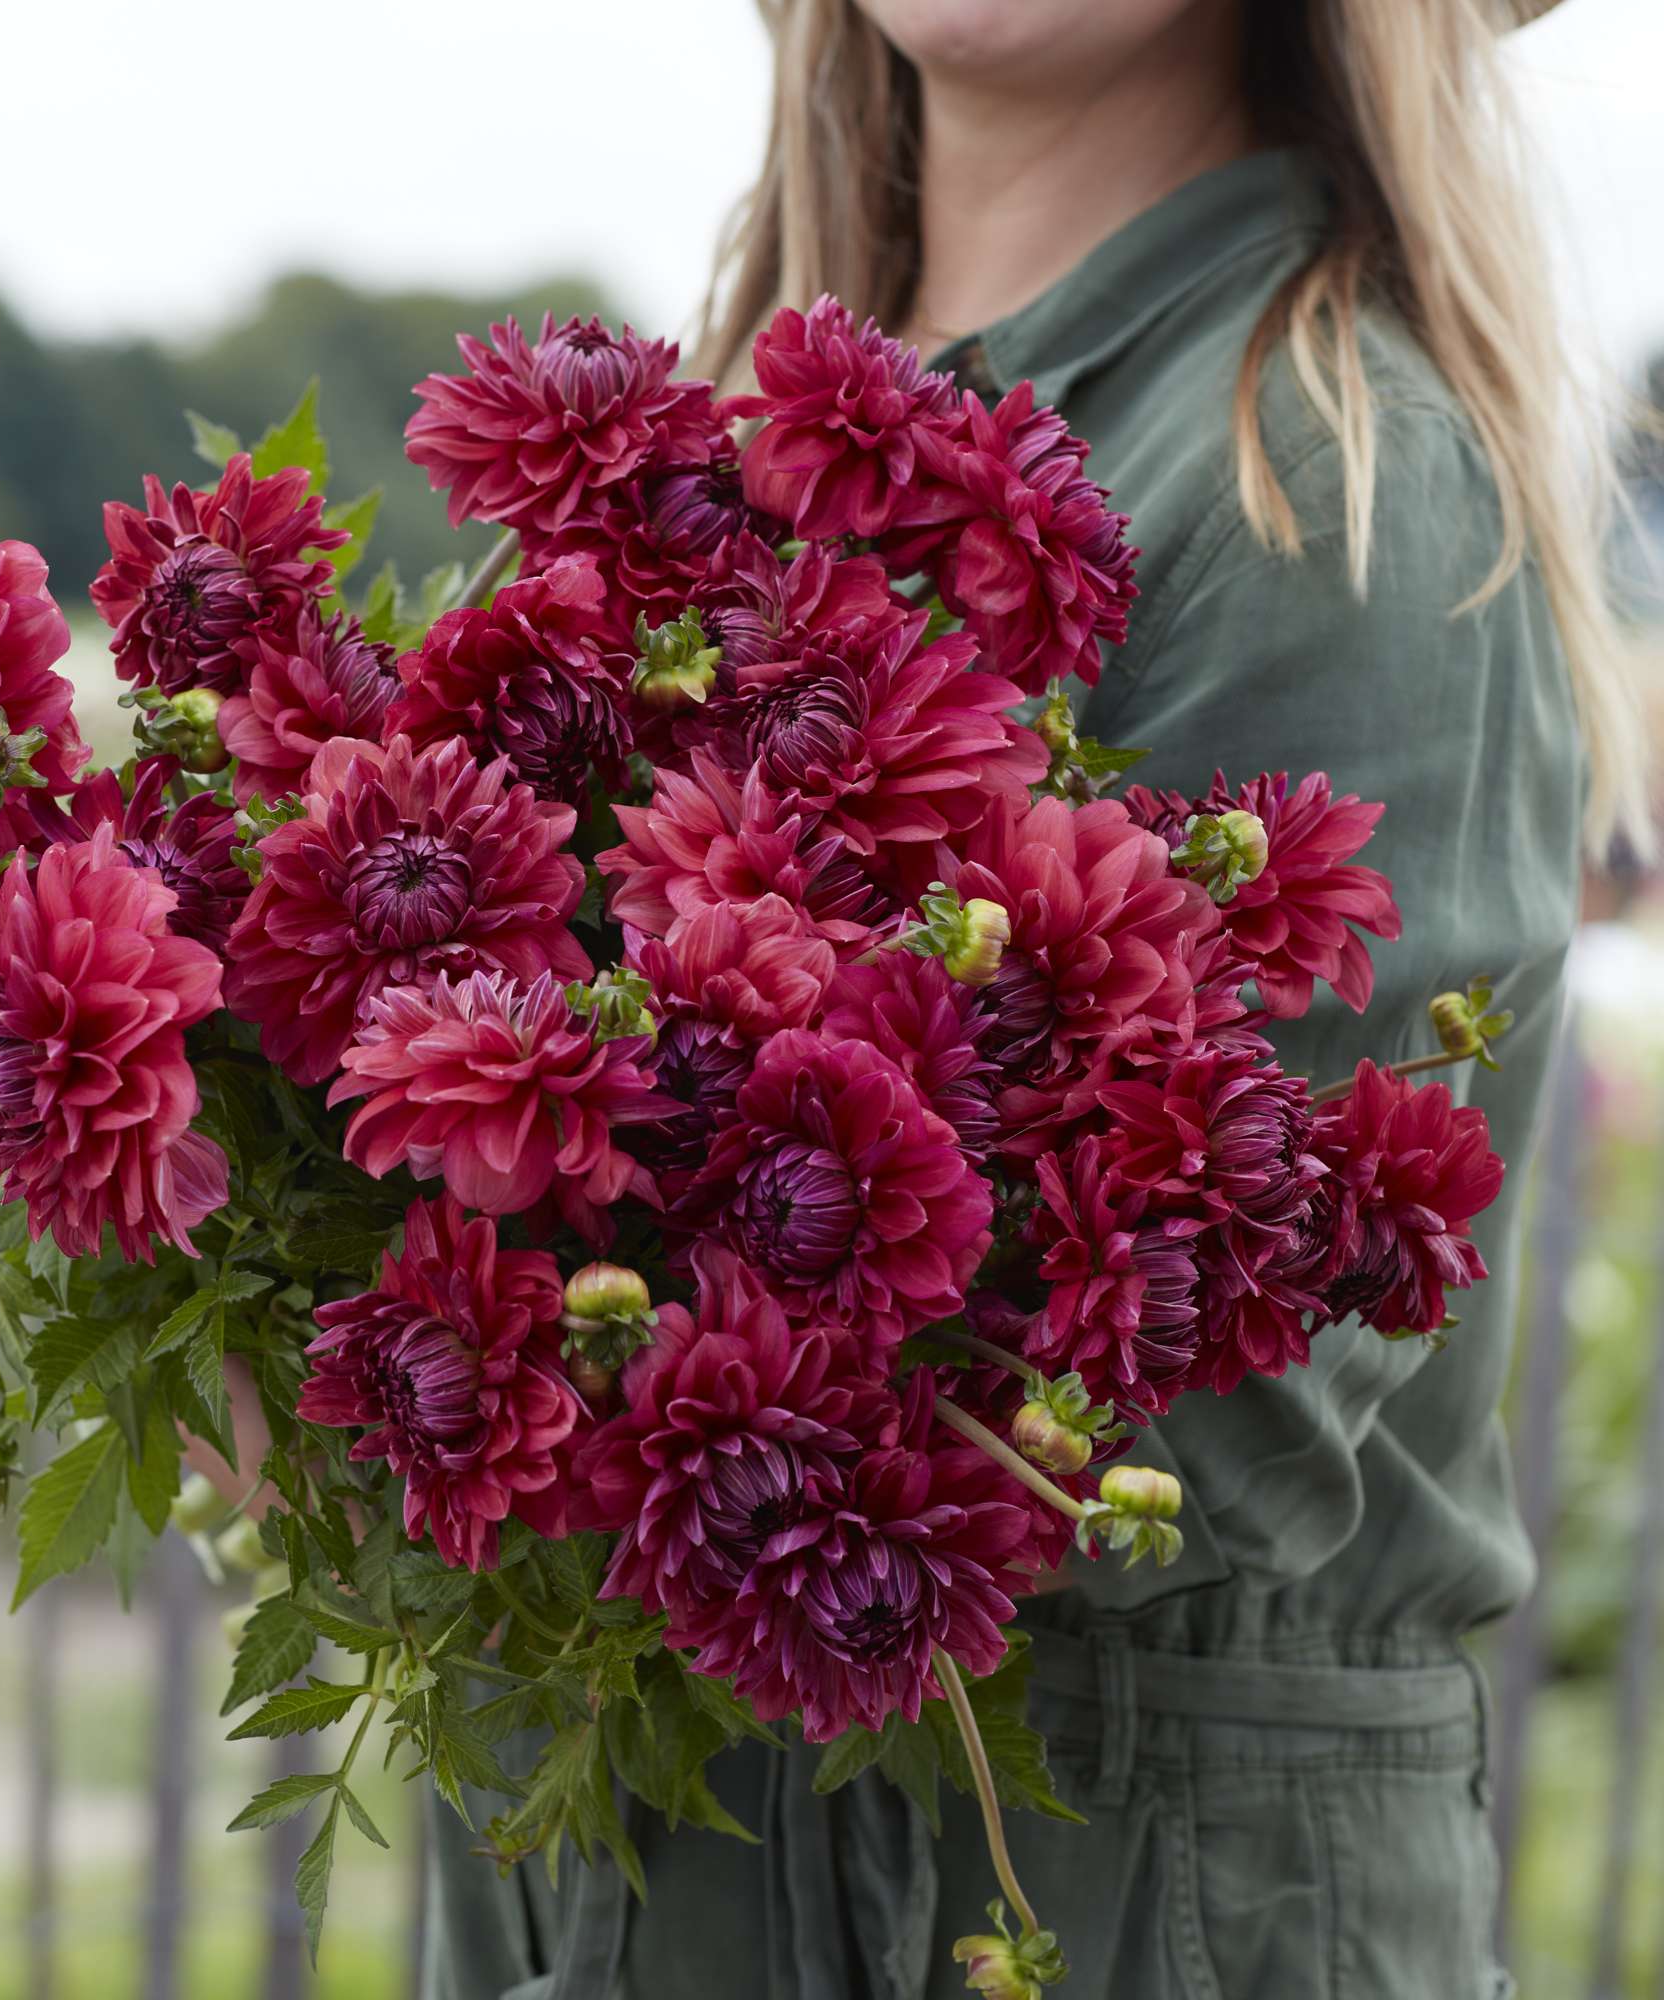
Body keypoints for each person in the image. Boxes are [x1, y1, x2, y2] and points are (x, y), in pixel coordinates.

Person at [419, 2, 1651, 1994]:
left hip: (1091, 1912)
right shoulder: (705, 466)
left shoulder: (1317, 478)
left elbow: (1178, 1433)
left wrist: (464, 1374)